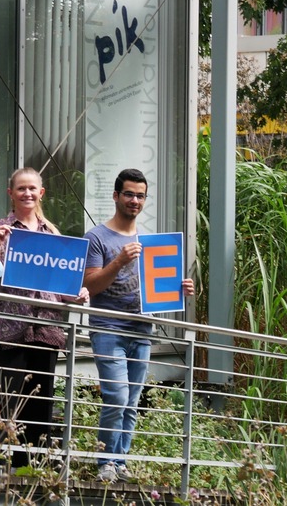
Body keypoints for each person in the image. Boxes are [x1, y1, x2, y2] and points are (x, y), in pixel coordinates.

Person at [83, 168, 194, 484]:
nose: (134, 200)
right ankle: (105, 461)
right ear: (116, 195)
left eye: (140, 195)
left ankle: (120, 462)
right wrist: (118, 261)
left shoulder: (150, 242)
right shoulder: (96, 238)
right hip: (107, 327)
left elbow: (158, 289)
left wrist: (179, 288)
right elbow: (90, 285)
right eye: (129, 194)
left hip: (142, 329)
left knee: (131, 401)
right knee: (116, 396)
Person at [0, 167, 89, 468]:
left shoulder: (52, 233)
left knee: (39, 406)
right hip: (9, 332)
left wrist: (78, 295)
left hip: (45, 332)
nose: (27, 193)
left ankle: (30, 471)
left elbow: (61, 287)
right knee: (4, 405)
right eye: (21, 188)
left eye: (32, 188)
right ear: (10, 193)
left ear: (41, 193)